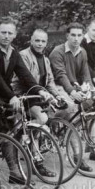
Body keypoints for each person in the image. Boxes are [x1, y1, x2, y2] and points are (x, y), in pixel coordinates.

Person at [0, 16, 51, 180]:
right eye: (3, 32)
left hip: (3, 94)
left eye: (10, 33)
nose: (6, 36)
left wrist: (40, 90)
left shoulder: (13, 52)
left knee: (10, 130)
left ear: (15, 35)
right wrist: (11, 97)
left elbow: (25, 74)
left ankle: (14, 172)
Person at [11, 29, 84, 175]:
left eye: (43, 41)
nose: (40, 44)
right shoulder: (24, 55)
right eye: (37, 40)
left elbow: (50, 81)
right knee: (41, 119)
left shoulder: (44, 59)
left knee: (68, 107)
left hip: (40, 96)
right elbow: (26, 79)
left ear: (46, 43)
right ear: (31, 40)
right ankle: (35, 158)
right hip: (24, 95)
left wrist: (57, 96)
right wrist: (44, 94)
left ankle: (37, 139)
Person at [49, 22, 95, 171]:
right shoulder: (57, 52)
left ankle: (64, 128)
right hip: (56, 87)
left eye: (79, 35)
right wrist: (71, 91)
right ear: (67, 36)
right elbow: (60, 75)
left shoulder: (82, 52)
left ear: (83, 36)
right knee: (71, 109)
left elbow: (85, 74)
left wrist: (91, 88)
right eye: (73, 35)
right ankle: (77, 156)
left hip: (72, 86)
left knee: (90, 102)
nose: (76, 38)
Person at [81, 19, 95, 88]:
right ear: (88, 29)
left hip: (91, 72)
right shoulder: (82, 41)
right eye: (94, 30)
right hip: (80, 73)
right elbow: (83, 62)